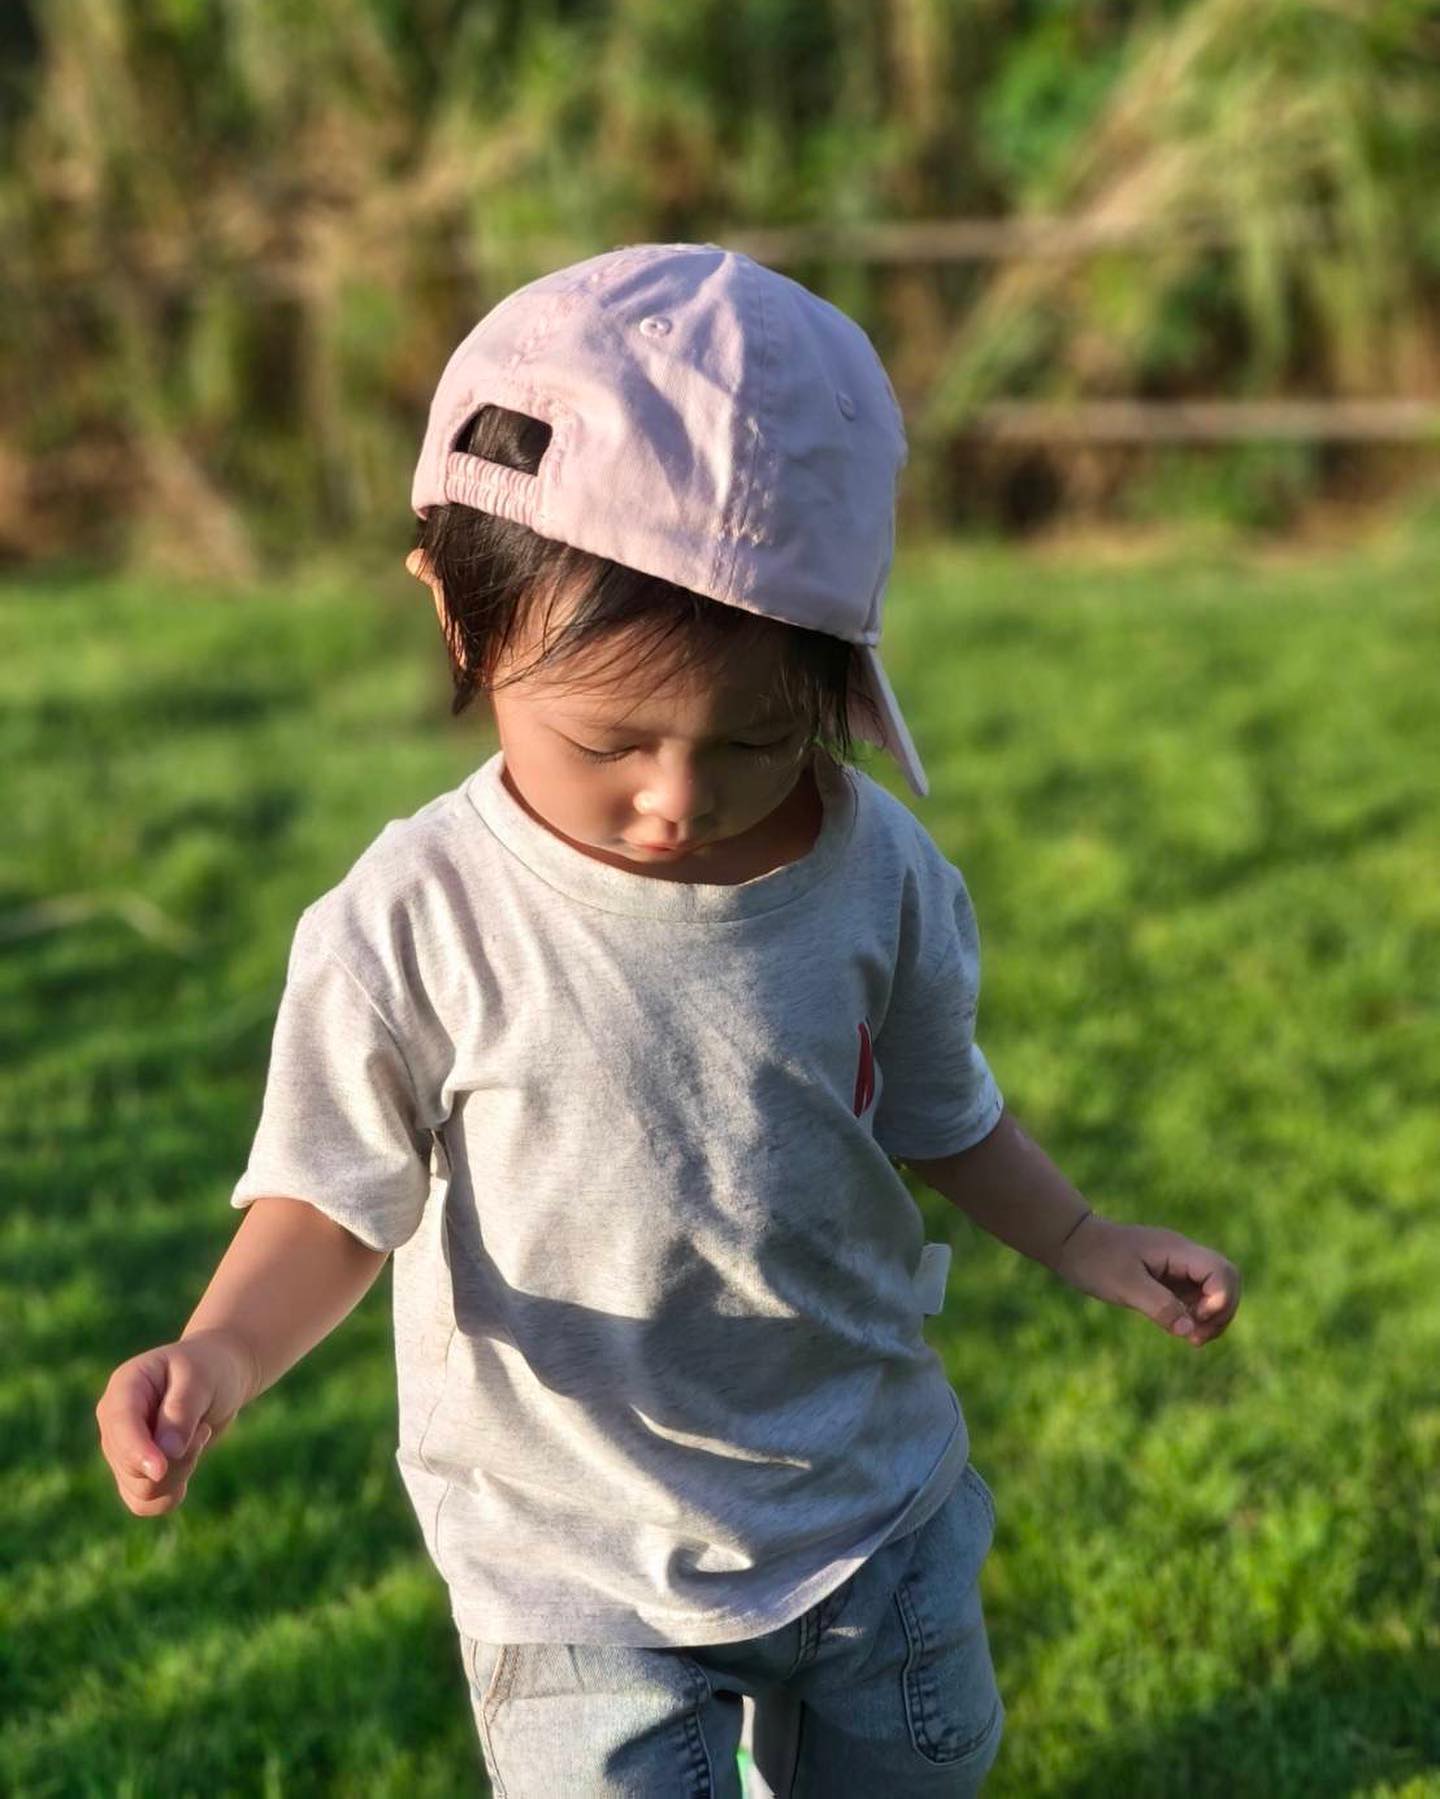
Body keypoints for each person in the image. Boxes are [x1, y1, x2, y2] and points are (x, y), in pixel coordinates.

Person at [95, 243, 1242, 1796]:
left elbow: (939, 1107)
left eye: (758, 740)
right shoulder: (418, 919)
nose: (678, 800)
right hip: (569, 1552)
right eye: (610, 741)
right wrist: (222, 1351)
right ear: (458, 617)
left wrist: (1083, 1237)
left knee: (926, 1762)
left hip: (862, 1500)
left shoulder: (881, 873)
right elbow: (333, 1197)